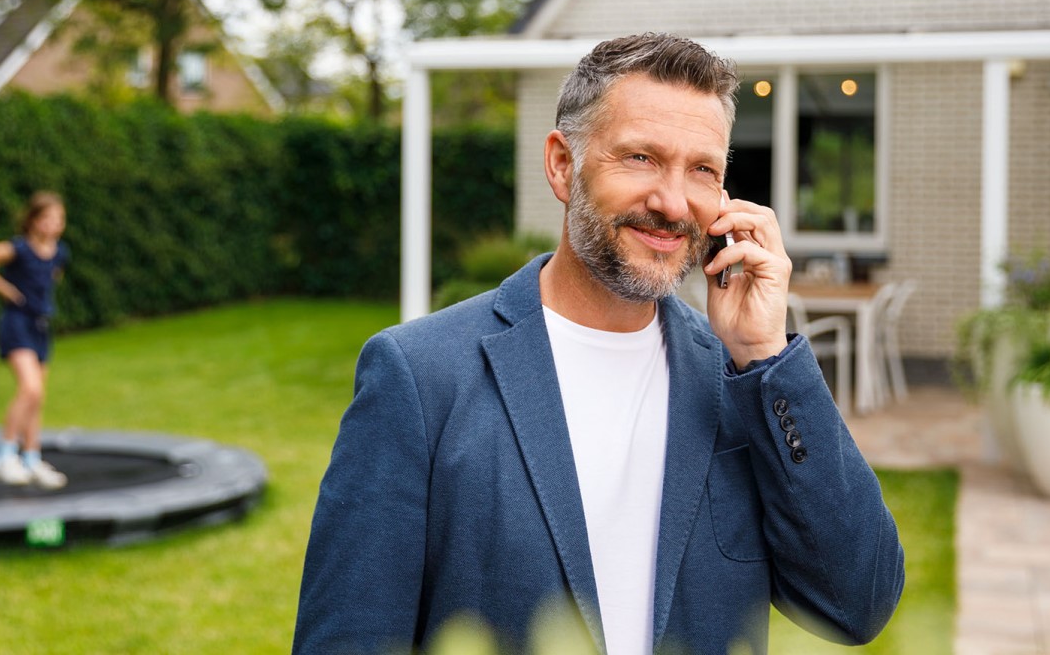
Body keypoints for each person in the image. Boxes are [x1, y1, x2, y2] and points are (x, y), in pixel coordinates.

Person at [293, 33, 904, 654]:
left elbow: (858, 603)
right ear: (563, 165)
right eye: (639, 157)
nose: (671, 203)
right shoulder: (420, 377)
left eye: (702, 169)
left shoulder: (741, 379)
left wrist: (768, 356)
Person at [0, 191, 71, 490]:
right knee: (30, 388)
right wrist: (5, 288)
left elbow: (52, 278)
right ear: (33, 220)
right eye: (47, 218)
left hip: (40, 327)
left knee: (37, 398)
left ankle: (32, 459)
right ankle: (4, 455)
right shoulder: (18, 249)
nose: (53, 225)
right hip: (16, 324)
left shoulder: (60, 252)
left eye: (58, 219)